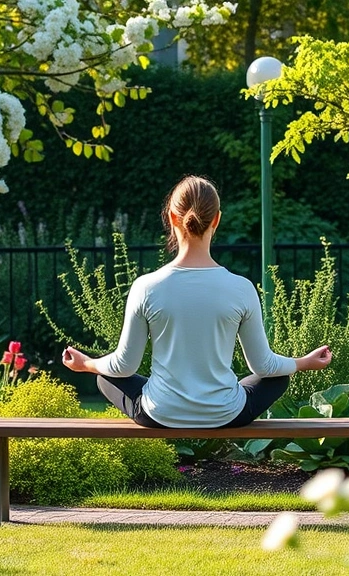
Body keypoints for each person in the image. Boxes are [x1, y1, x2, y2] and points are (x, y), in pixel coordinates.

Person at [61, 175, 332, 428]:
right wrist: (302, 362)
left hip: (160, 414)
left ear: (171, 217)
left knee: (105, 375)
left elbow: (123, 367)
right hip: (227, 415)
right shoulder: (241, 288)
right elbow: (263, 367)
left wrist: (86, 364)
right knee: (277, 378)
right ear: (216, 220)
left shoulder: (146, 286)